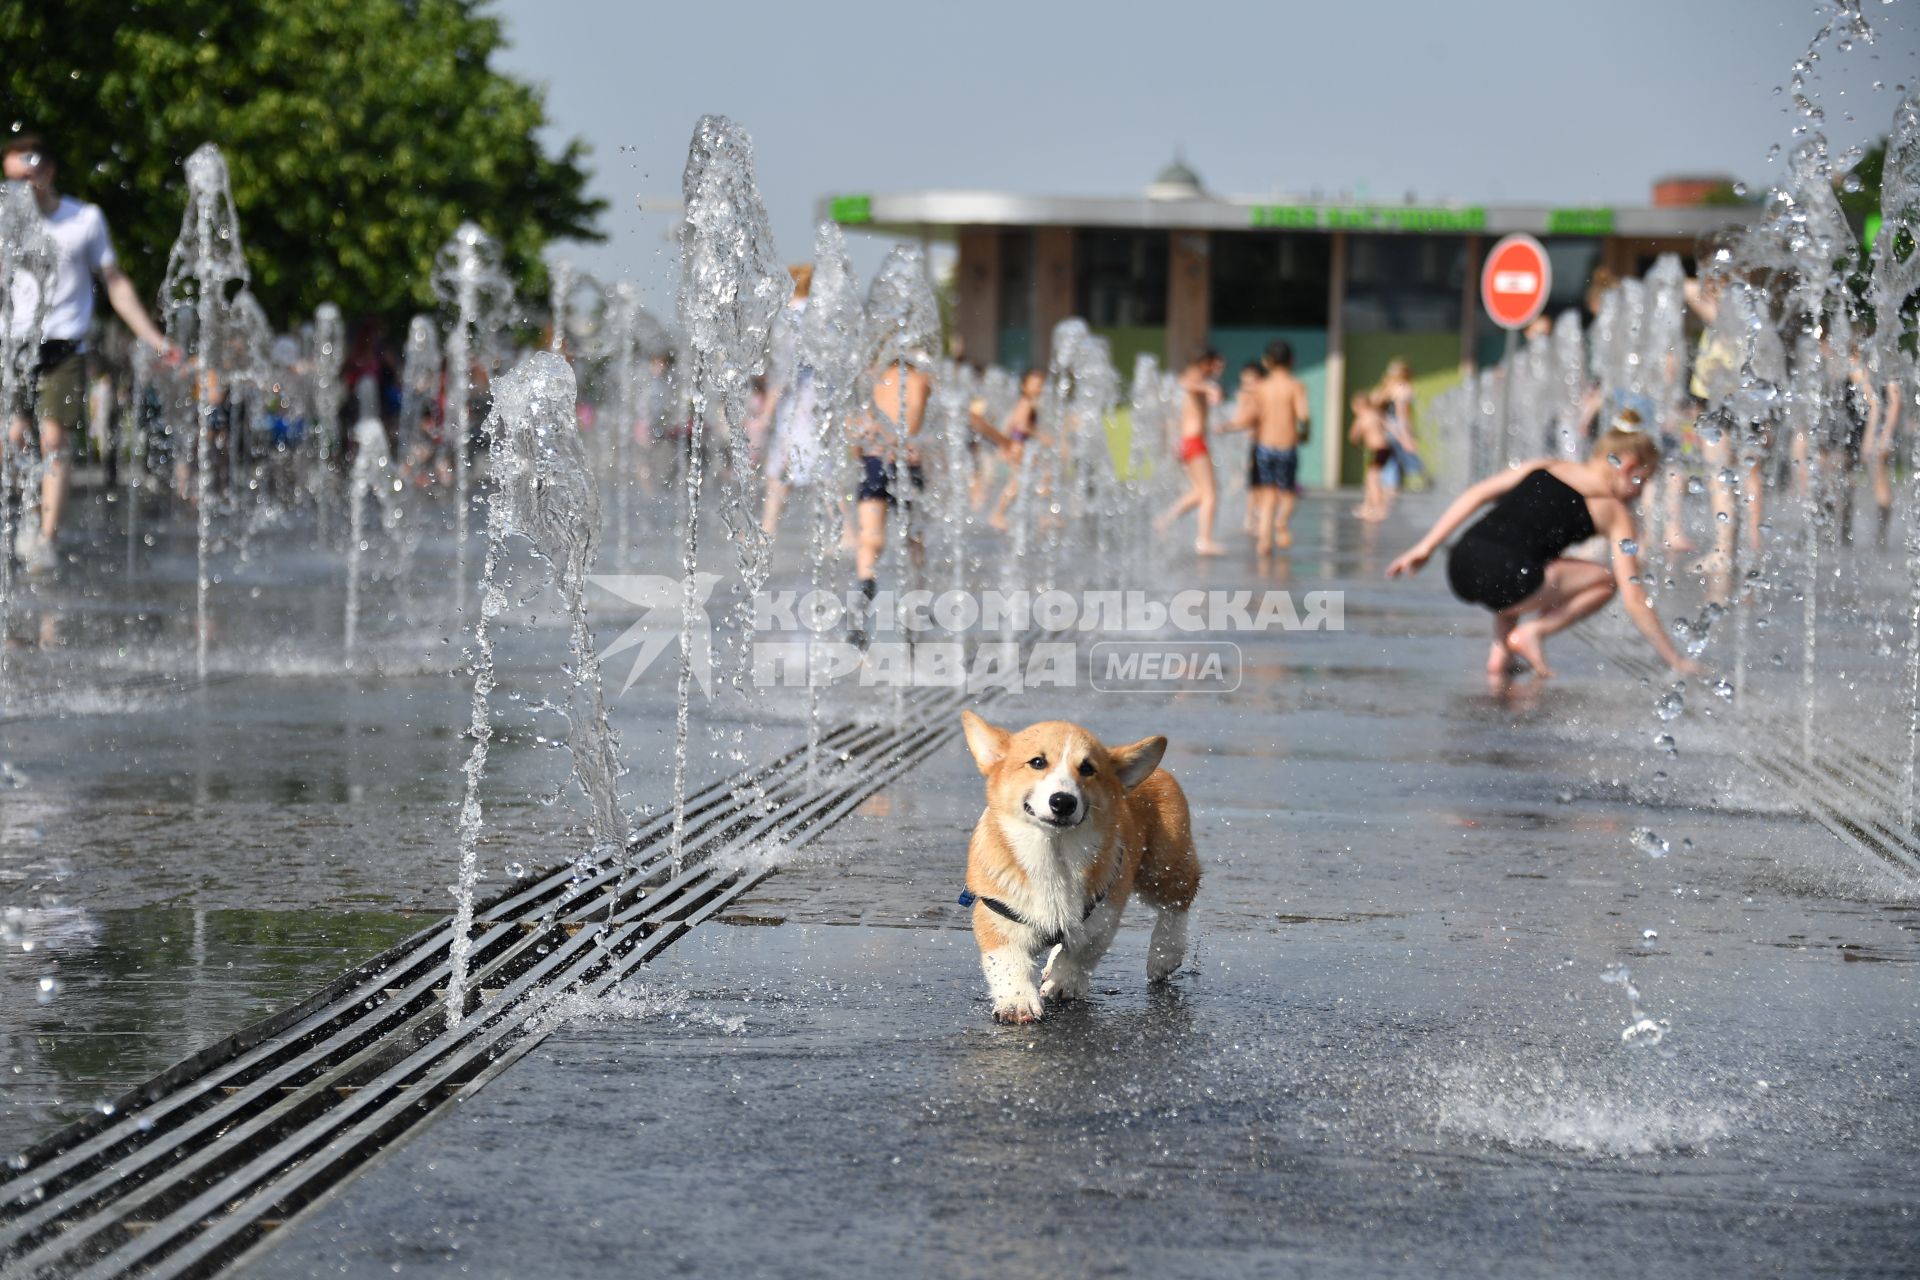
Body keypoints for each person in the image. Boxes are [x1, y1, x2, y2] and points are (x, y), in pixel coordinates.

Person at [1387, 413, 1703, 682]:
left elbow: (1477, 494)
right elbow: (1633, 595)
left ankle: (1501, 654)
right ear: (1628, 467)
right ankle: (1534, 632)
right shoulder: (1612, 511)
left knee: (1527, 555)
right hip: (1509, 578)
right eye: (1642, 481)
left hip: (1460, 564)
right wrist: (1674, 659)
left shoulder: (1546, 465)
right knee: (1606, 580)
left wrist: (1426, 547)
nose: (1641, 492)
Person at [4, 134, 174, 571]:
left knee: (54, 439)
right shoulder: (5, 222)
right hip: (12, 346)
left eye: (27, 178)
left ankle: (45, 541)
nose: (21, 189)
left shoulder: (84, 220)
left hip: (64, 346)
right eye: (11, 180)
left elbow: (114, 283)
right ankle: (17, 524)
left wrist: (154, 338)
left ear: (48, 172)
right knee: (12, 440)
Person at [849, 354, 931, 640]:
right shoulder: (922, 379)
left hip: (875, 459)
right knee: (912, 538)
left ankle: (865, 584)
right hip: (908, 462)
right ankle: (916, 600)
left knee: (870, 537)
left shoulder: (876, 379)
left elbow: (858, 424)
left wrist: (858, 449)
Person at [1222, 339, 1310, 556]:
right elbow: (1303, 415)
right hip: (1287, 446)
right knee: (1288, 492)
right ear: (1292, 361)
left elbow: (1250, 417)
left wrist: (1230, 426)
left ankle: (1264, 542)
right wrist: (1306, 432)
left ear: (1267, 362)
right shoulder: (1296, 386)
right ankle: (1281, 521)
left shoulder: (1260, 388)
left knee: (1267, 493)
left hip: (1263, 447)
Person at [1153, 349, 1228, 554]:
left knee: (1199, 492)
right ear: (1206, 362)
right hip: (1193, 441)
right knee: (1211, 493)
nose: (1218, 370)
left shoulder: (1199, 378)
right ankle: (1204, 541)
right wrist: (1210, 388)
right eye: (1216, 365)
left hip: (1189, 442)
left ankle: (1164, 521)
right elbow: (1185, 383)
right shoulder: (1195, 376)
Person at [987, 369, 1045, 532]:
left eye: (1040, 385)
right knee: (1017, 482)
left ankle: (1037, 516)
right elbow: (1019, 425)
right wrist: (1040, 436)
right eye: (1033, 385)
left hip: (1019, 445)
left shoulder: (1028, 402)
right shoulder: (1026, 402)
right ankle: (997, 515)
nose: (1037, 389)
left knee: (1024, 481)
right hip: (1020, 445)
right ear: (1024, 386)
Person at [1865, 372, 1904, 550]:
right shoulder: (1874, 361)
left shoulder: (1887, 361)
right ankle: (1880, 535)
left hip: (1884, 431)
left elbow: (1895, 402)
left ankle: (1882, 536)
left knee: (1881, 481)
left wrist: (1884, 436)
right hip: (1880, 431)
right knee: (1879, 481)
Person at [1377, 359, 1427, 491]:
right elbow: (1402, 415)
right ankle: (1427, 484)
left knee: (1389, 465)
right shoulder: (1404, 388)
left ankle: (1380, 505)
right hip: (1397, 430)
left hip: (1386, 430)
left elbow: (1379, 411)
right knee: (1411, 464)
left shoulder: (1386, 387)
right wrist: (1406, 437)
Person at [1348, 391, 1393, 522]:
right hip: (1385, 449)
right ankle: (1367, 507)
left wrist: (1358, 448)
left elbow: (1353, 436)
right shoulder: (1377, 414)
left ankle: (1380, 510)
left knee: (1373, 481)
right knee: (1370, 479)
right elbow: (1390, 427)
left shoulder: (1362, 418)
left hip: (1374, 450)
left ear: (1357, 406)